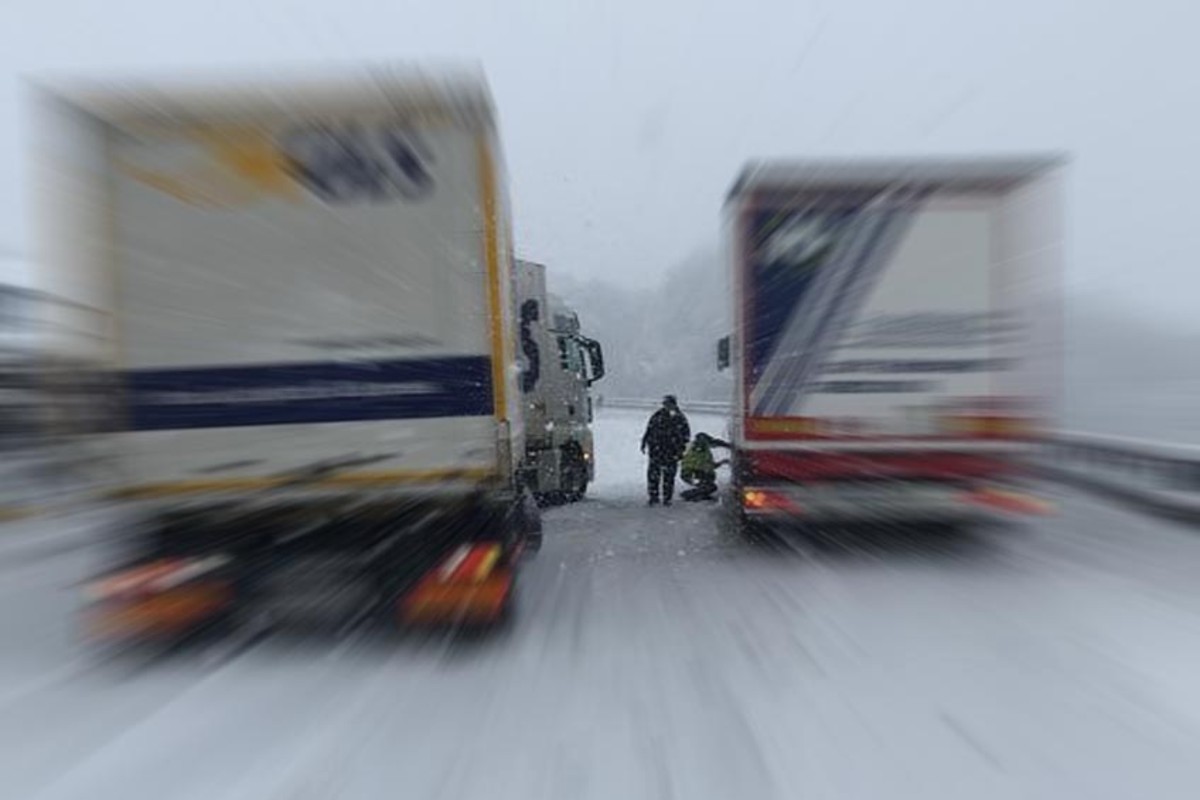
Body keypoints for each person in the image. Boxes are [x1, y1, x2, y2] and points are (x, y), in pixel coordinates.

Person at [640, 395, 690, 505]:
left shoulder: (679, 417)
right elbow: (649, 430)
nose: (666, 406)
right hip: (656, 450)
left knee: (669, 476)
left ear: (674, 404)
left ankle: (667, 498)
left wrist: (680, 449)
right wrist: (644, 442)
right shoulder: (657, 415)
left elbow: (686, 435)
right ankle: (654, 496)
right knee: (653, 475)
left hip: (671, 451)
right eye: (665, 404)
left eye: (668, 404)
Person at [679, 433, 731, 502]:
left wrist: (722, 462)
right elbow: (705, 466)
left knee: (708, 482)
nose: (712, 445)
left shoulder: (700, 448)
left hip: (692, 472)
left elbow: (708, 465)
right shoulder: (700, 449)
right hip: (692, 473)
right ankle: (691, 495)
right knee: (710, 486)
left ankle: (700, 492)